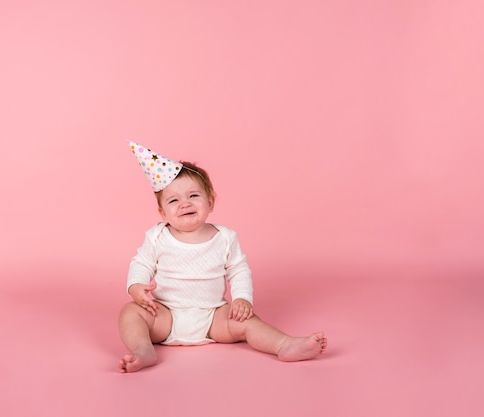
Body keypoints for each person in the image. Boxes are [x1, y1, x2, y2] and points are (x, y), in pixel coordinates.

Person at [118, 141, 327, 373]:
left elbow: (238, 270)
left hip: (213, 317)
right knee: (130, 312)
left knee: (246, 320)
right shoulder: (157, 235)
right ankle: (143, 350)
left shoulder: (225, 237)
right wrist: (136, 287)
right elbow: (141, 262)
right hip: (165, 316)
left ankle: (284, 344)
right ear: (162, 212)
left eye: (194, 195)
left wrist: (242, 299)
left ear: (210, 201)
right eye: (173, 200)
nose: (185, 203)